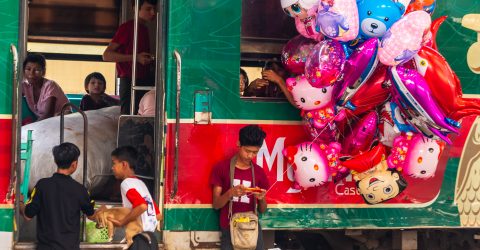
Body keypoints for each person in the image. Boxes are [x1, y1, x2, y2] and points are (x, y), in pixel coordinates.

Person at [19, 143, 98, 250]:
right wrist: (103, 212)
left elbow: (27, 216)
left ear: (56, 161)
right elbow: (92, 215)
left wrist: (20, 203)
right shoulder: (80, 190)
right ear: (74, 164)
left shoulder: (42, 186)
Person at [210, 125, 270, 250]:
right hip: (229, 227)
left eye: (255, 152)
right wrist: (230, 193)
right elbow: (216, 204)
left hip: (252, 228)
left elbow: (263, 210)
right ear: (238, 144)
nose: (250, 156)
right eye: (247, 151)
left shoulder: (259, 172)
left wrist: (262, 198)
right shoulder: (222, 168)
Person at [102, 0, 157, 114]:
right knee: (129, 118)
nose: (153, 13)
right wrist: (136, 58)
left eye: (154, 9)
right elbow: (107, 55)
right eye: (148, 9)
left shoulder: (144, 29)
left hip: (143, 79)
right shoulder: (127, 28)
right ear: (135, 8)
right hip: (129, 81)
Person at [109, 146, 162, 246]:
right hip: (151, 237)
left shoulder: (126, 183)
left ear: (124, 164)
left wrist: (122, 222)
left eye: (114, 163)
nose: (112, 167)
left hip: (139, 238)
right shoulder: (140, 183)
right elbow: (158, 215)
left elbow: (142, 206)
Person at [21, 53, 70, 121]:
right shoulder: (25, 86)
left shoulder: (50, 85)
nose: (31, 74)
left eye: (37, 70)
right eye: (28, 69)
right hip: (46, 123)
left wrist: (33, 126)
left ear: (43, 72)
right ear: (23, 70)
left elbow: (48, 114)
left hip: (63, 123)